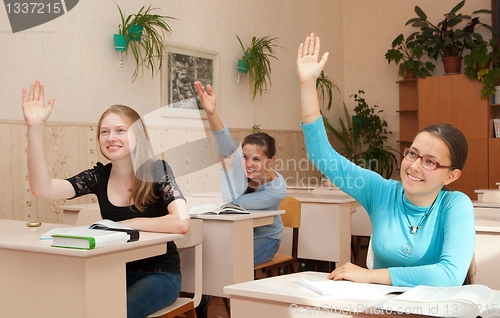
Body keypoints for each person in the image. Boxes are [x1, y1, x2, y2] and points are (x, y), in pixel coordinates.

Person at [296, 34, 474, 287]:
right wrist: (306, 84)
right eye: (412, 153)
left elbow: (449, 275)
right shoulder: (380, 191)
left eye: (430, 162)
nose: (414, 166)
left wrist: (369, 276)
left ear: (451, 175)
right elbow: (323, 156)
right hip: (380, 308)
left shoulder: (455, 205)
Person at [22, 81, 191, 318]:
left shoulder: (157, 169)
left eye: (120, 130)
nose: (111, 137)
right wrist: (35, 128)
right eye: (105, 131)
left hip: (159, 273)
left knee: (116, 313)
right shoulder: (98, 176)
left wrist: (129, 224)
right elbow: (43, 189)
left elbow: (182, 223)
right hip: (112, 271)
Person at [194, 81, 287, 266]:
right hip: (238, 233)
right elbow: (224, 139)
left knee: (235, 262)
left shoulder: (277, 189)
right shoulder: (242, 164)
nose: (248, 164)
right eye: (245, 157)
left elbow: (234, 204)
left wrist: (228, 171)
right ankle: (204, 294)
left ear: (270, 161)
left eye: (256, 160)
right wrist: (211, 112)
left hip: (267, 239)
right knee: (205, 256)